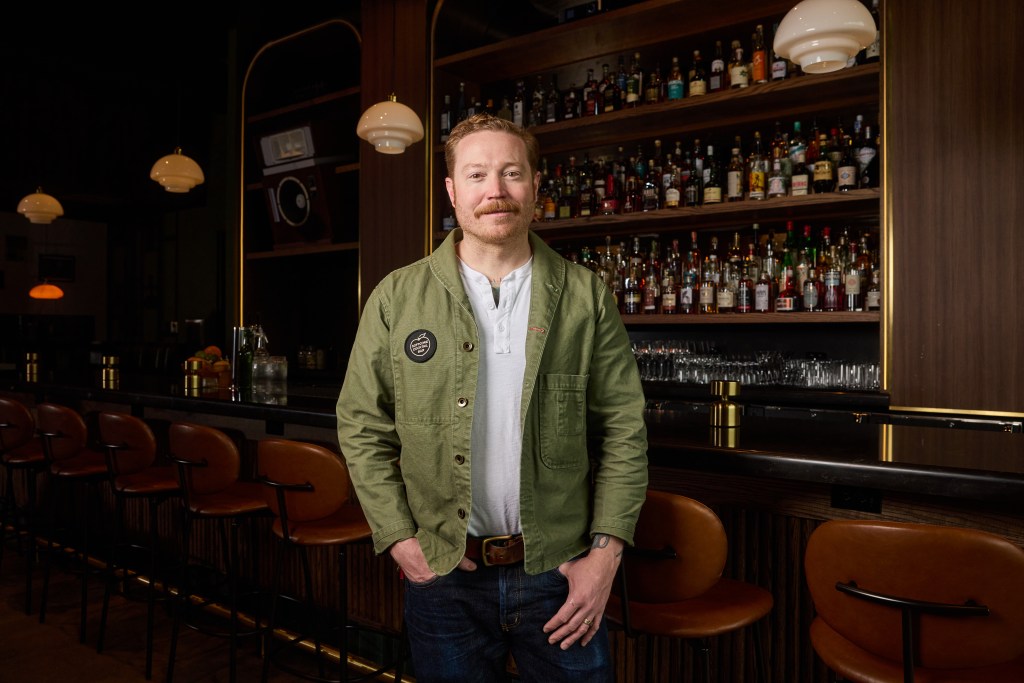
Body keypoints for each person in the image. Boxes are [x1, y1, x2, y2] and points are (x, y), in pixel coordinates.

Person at [336, 112, 648, 682]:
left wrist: (605, 556)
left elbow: (624, 429)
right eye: (477, 175)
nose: (496, 191)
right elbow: (361, 423)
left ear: (534, 188)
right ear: (453, 192)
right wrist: (401, 540)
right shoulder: (396, 297)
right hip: (445, 571)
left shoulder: (585, 295)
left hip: (561, 570)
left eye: (511, 173)